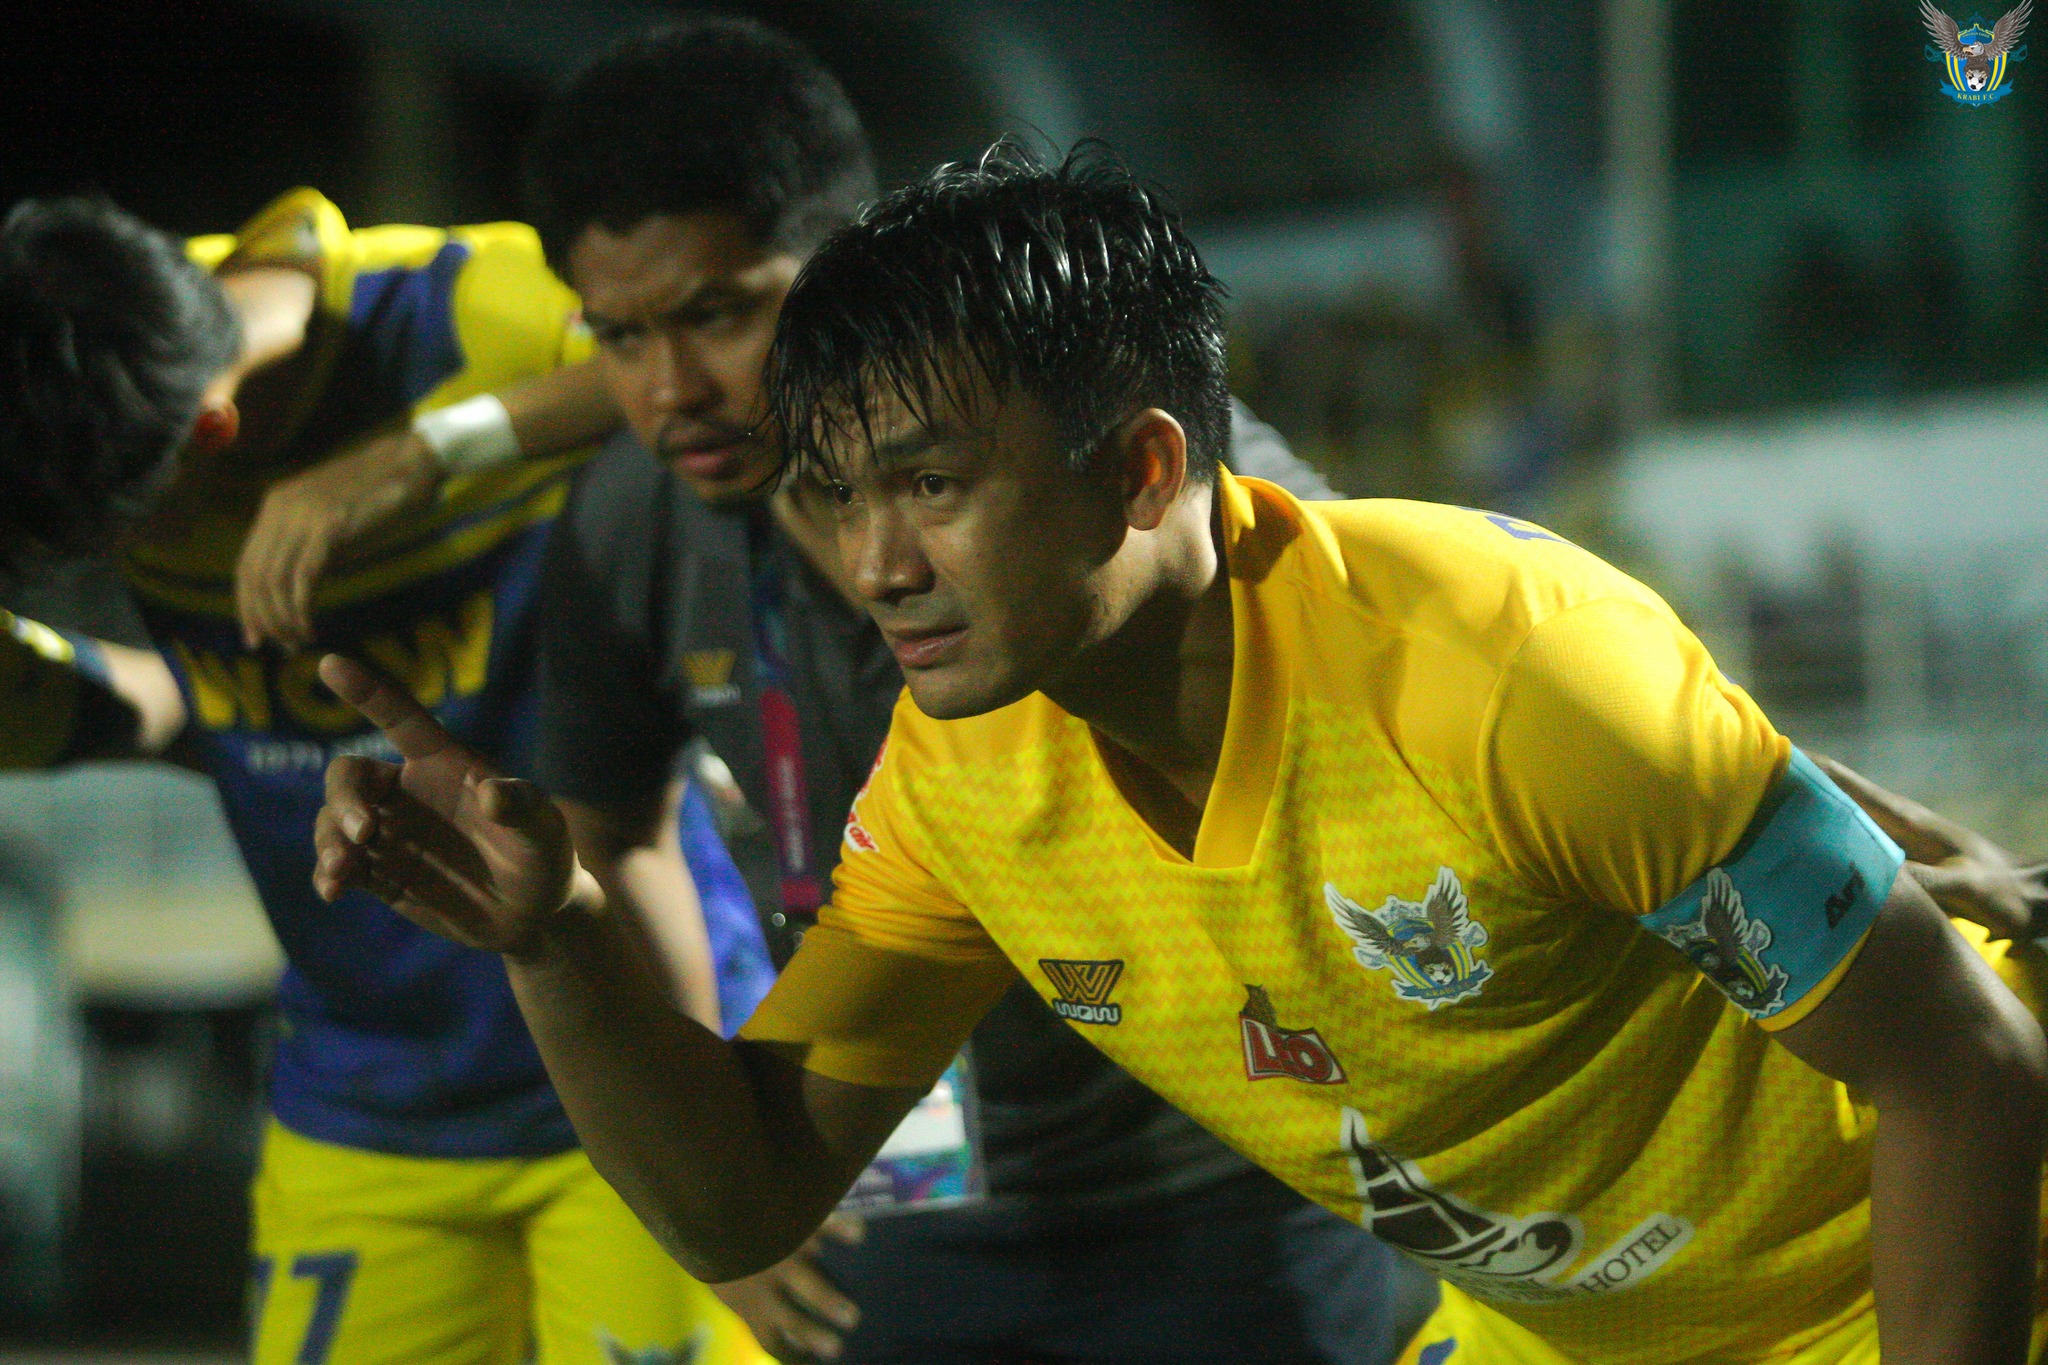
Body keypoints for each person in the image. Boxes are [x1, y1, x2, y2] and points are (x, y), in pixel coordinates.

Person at [312, 146, 2048, 1365]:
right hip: (1561, 1333)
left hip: (1924, 1278)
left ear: (1143, 469)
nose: (875, 565)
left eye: (931, 485)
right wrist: (556, 944)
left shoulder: (1498, 664)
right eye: (835, 499)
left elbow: (1962, 1071)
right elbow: (742, 1195)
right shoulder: (959, 781)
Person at [521, 20, 1426, 1364]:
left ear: (843, 266)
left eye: (718, 314)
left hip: (1232, 1181)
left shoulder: (1122, 471)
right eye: (617, 336)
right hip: (894, 1198)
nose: (670, 393)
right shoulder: (631, 524)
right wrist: (730, 1169)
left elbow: (1363, 686)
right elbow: (609, 832)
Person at [0, 193, 765, 1363]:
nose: (132, 560)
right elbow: (206, 711)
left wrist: (433, 451)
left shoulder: (461, 312)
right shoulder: (78, 357)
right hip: (365, 1097)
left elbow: (766, 362)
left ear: (213, 430)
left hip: (643, 1053)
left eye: (119, 537)